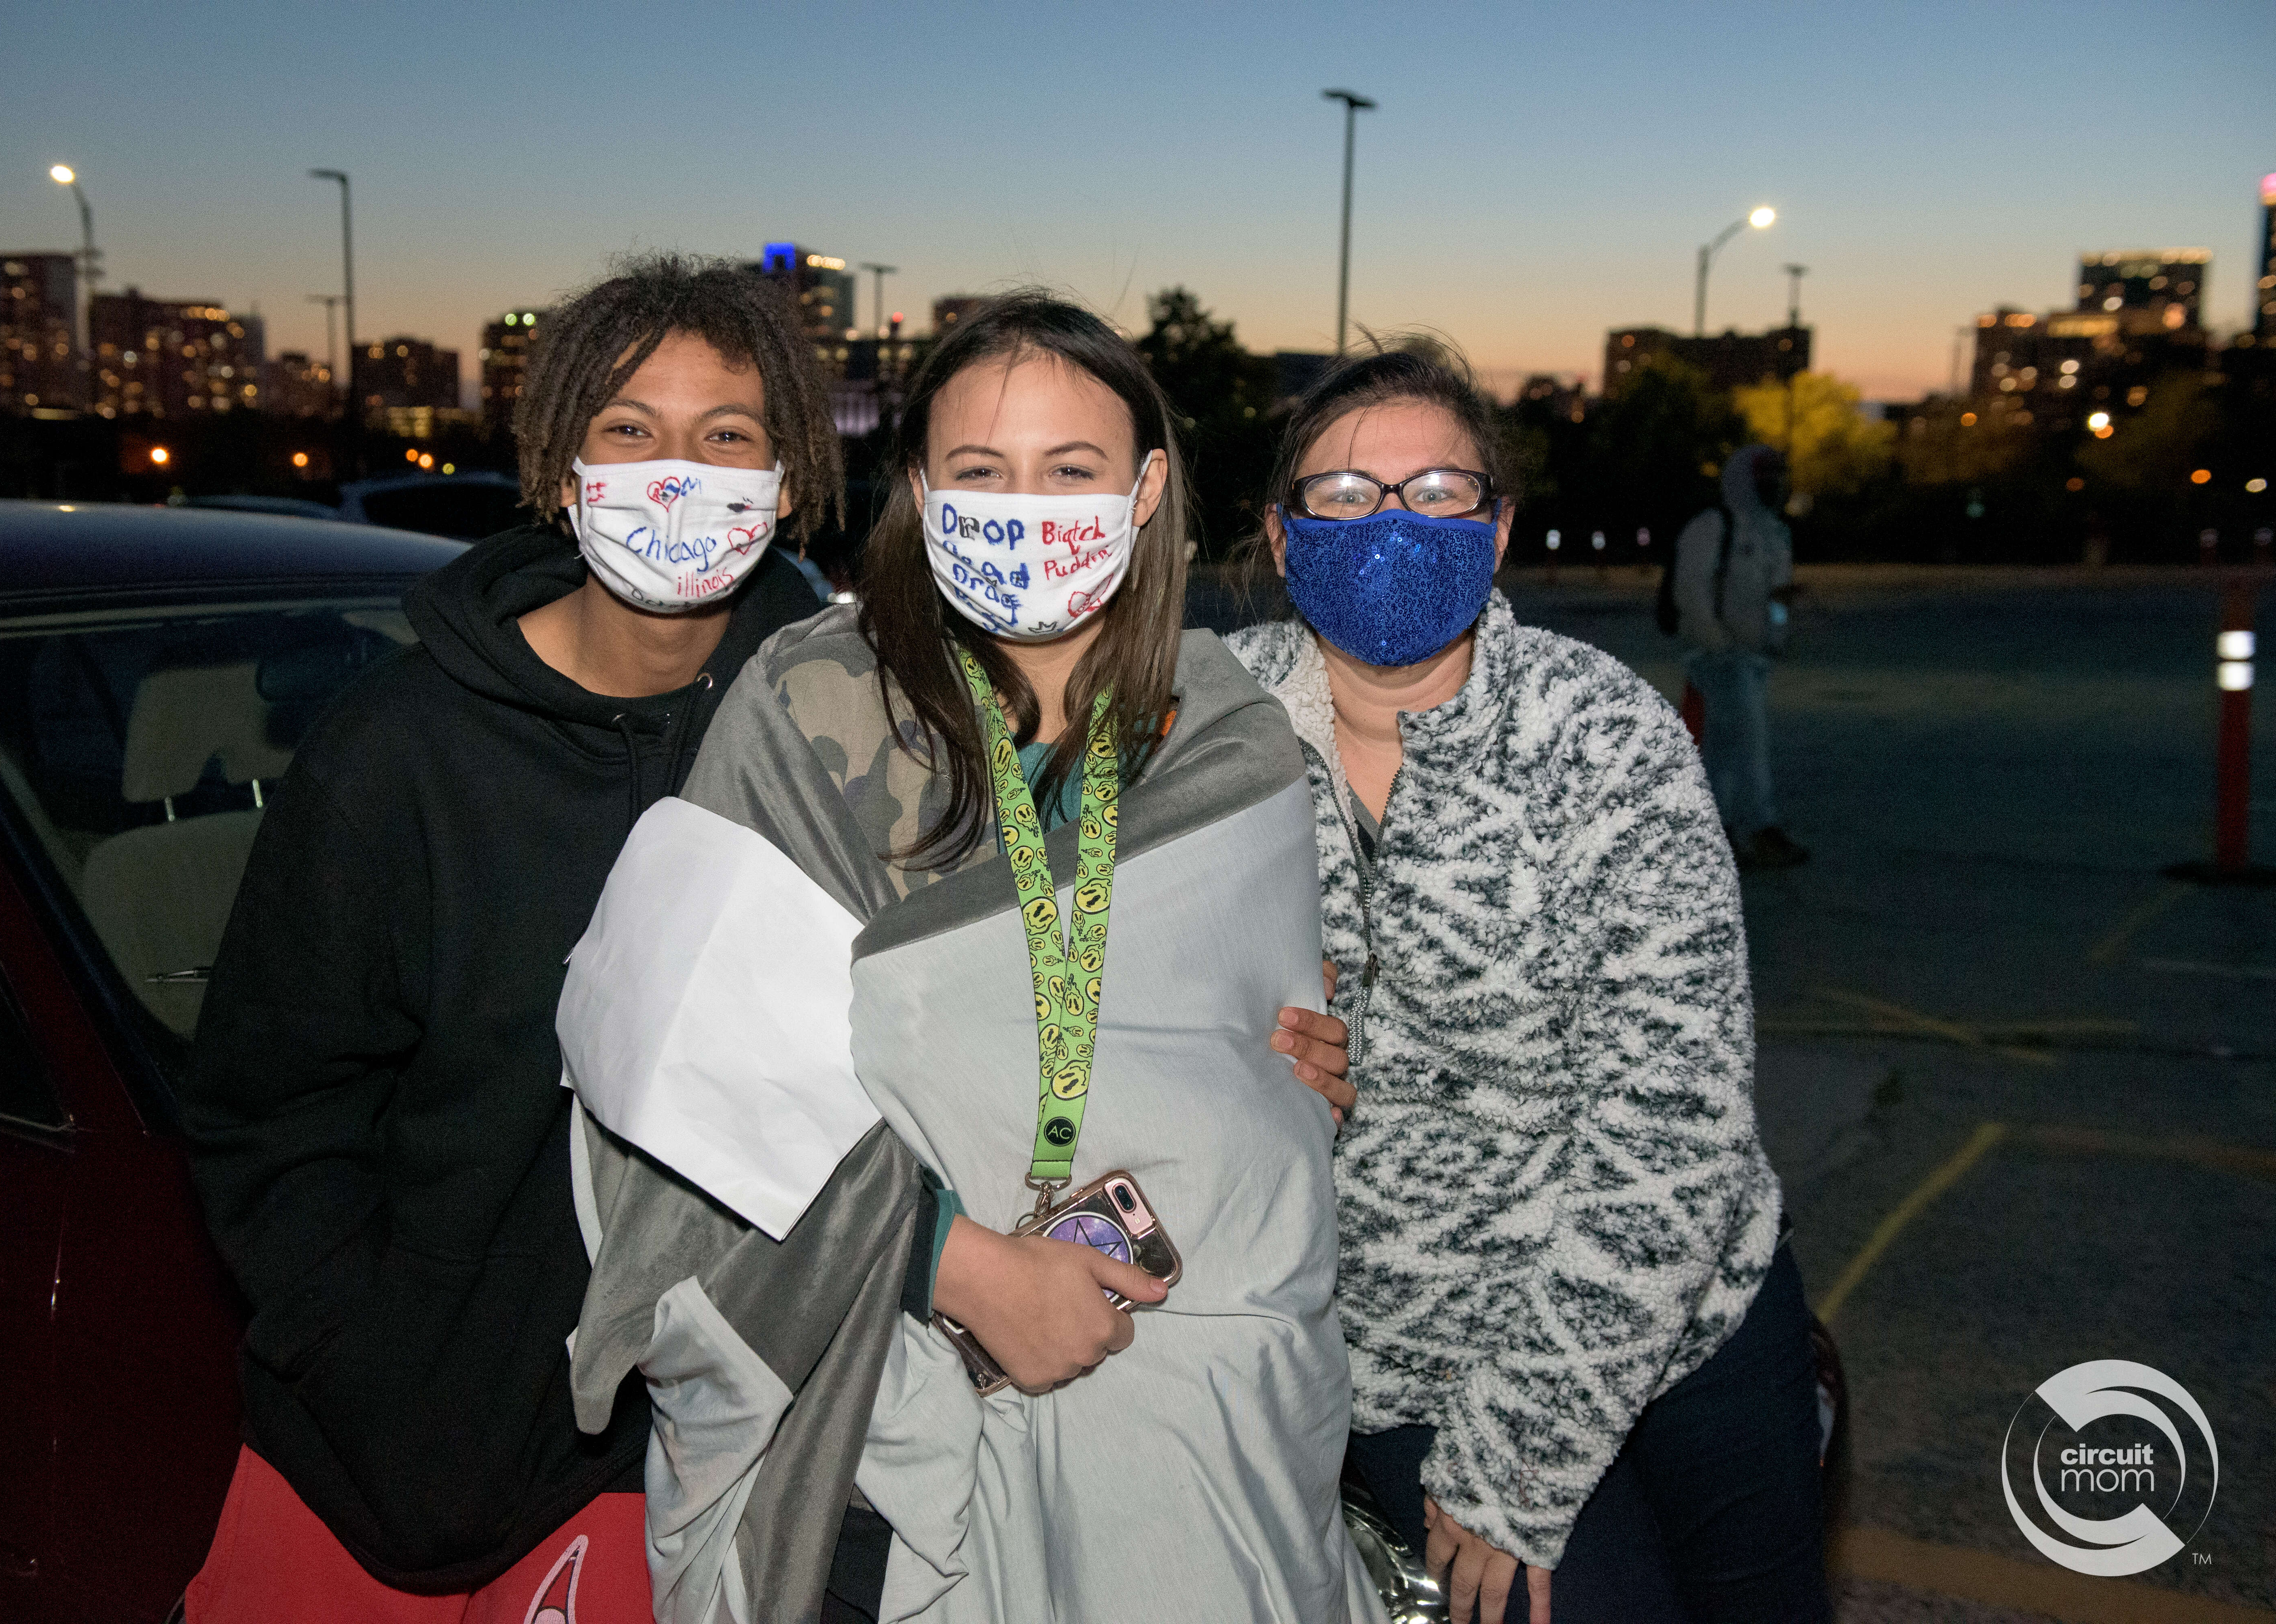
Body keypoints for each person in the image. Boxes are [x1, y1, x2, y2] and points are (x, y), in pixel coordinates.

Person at [559, 292, 1380, 1623]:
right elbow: (675, 1080)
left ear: (1145, 489)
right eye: (982, 473)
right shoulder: (812, 714)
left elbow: (1253, 1042)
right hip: (880, 1435)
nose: (1024, 511)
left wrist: (1276, 1080)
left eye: (1070, 470)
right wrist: (956, 1263)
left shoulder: (1228, 732)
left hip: (1191, 1424)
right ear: (922, 489)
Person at [174, 255, 852, 1620]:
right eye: (629, 429)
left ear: (788, 484)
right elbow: (269, 1109)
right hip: (378, 1472)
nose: (678, 475)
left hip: (684, 1466)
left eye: (726, 436)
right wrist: (375, 1365)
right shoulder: (399, 756)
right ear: (560, 469)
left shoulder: (840, 745)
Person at [1224, 345, 1829, 1624]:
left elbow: (1674, 1120)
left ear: (1496, 532)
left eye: (1439, 491)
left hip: (1687, 1326)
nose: (1392, 524)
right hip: (1405, 1368)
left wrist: (1521, 1452)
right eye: (1344, 494)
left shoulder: (1599, 733)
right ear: (1281, 539)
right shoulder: (1202, 738)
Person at [1673, 443, 1808, 870]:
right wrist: (1715, 641)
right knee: (1750, 743)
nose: (1772, 485)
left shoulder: (1776, 534)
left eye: (1776, 476)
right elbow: (1690, 589)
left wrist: (1777, 632)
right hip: (1720, 659)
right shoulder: (1714, 526)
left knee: (1721, 749)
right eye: (1763, 476)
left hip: (1754, 658)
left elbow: (1778, 594)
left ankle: (1714, 833)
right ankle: (1760, 827)